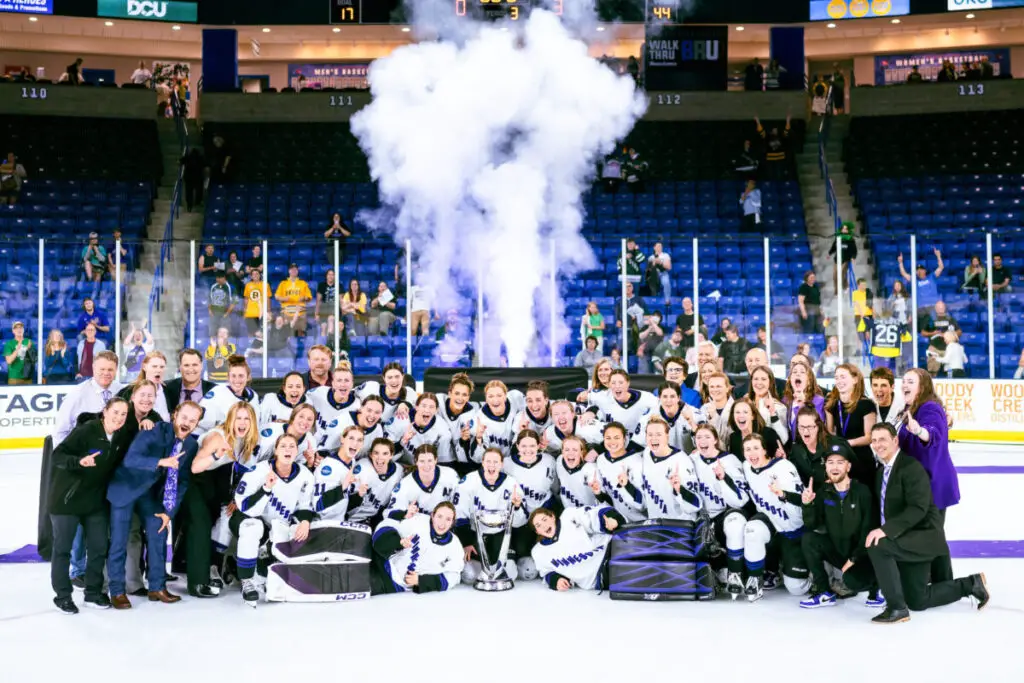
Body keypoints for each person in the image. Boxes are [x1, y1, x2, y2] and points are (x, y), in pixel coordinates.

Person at [864, 424, 988, 624]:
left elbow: (918, 509)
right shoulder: (882, 473)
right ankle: (971, 584)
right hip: (906, 538)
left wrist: (885, 531)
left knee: (878, 546)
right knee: (918, 600)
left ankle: (896, 609)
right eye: (874, 440)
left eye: (883, 439)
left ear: (895, 441)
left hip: (922, 537)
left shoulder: (910, 467)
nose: (878, 445)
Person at [106, 401, 202, 609]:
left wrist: (169, 511)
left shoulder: (191, 445)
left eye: (192, 420)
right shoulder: (156, 431)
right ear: (175, 415)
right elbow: (131, 459)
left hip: (149, 495)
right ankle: (117, 590)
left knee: (158, 530)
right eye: (184, 417)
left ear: (197, 424)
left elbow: (182, 481)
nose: (187, 423)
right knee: (119, 541)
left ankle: (157, 587)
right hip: (126, 488)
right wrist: (161, 461)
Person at [48, 398, 130, 614]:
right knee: (63, 549)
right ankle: (63, 596)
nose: (119, 418)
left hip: (94, 501)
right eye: (115, 412)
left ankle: (93, 592)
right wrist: (79, 461)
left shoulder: (121, 436)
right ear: (105, 411)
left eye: (123, 414)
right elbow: (58, 455)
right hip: (67, 499)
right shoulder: (87, 430)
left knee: (98, 546)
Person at [231, 433, 315, 607]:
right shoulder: (259, 470)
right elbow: (245, 506)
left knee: (291, 535)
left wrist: (305, 521)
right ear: (276, 451)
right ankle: (246, 581)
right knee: (252, 526)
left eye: (292, 446)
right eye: (283, 446)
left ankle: (260, 569)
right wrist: (266, 489)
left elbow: (305, 506)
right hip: (248, 518)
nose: (288, 449)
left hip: (275, 525)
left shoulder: (305, 475)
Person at [897, 368, 961, 582]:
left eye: (911, 382)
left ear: (922, 386)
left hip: (933, 483)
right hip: (921, 482)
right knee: (932, 533)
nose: (905, 385)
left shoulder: (930, 408)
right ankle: (940, 579)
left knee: (933, 535)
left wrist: (918, 431)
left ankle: (944, 582)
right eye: (904, 380)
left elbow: (932, 434)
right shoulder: (910, 408)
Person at [798, 445, 879, 609]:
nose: (834, 467)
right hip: (838, 551)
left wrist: (854, 558)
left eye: (840, 462)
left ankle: (876, 589)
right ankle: (824, 592)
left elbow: (869, 529)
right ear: (825, 466)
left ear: (848, 466)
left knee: (853, 581)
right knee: (809, 539)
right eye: (830, 462)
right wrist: (808, 505)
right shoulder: (823, 492)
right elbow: (811, 524)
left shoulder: (862, 492)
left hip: (861, 555)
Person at [737, 433, 810, 602]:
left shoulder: (783, 467)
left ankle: (811, 571)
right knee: (752, 529)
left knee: (796, 589)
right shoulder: (746, 467)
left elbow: (802, 502)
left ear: (764, 450)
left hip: (793, 530)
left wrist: (783, 495)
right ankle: (755, 579)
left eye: (756, 448)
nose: (752, 453)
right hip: (771, 523)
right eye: (747, 449)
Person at [688, 424, 749, 599]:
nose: (702, 441)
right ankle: (720, 571)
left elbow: (741, 500)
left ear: (715, 439)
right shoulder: (691, 460)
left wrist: (724, 478)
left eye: (707, 437)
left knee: (735, 524)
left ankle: (736, 573)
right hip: (702, 517)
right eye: (699, 437)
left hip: (726, 513)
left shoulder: (729, 460)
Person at [455, 447, 528, 583]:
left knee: (510, 574)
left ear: (501, 464)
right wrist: (466, 542)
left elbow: (520, 521)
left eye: (496, 462)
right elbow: (460, 514)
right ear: (482, 462)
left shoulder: (511, 483)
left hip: (500, 533)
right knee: (470, 575)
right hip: (475, 534)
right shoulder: (469, 481)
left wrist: (516, 507)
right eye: (488, 461)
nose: (491, 465)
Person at [369, 502, 465, 595]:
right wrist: (398, 541)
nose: (442, 523)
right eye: (439, 516)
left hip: (394, 585)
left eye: (448, 519)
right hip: (384, 565)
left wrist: (421, 581)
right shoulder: (418, 521)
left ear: (452, 522)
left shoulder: (455, 545)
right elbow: (386, 524)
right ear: (432, 516)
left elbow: (455, 575)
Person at [529, 504, 625, 591]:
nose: (544, 526)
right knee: (635, 573)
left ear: (553, 517)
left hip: (611, 547)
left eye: (544, 520)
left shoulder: (569, 516)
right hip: (599, 576)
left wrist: (611, 520)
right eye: (538, 525)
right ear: (537, 531)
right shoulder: (538, 553)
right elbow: (546, 573)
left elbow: (593, 515)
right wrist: (556, 580)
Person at [53, 350, 121, 447]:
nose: (106, 373)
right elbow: (60, 432)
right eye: (102, 369)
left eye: (110, 369)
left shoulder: (122, 391)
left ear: (116, 369)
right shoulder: (77, 394)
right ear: (94, 368)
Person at [825, 363, 877, 486]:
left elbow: (869, 437)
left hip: (861, 460)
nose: (839, 381)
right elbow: (830, 431)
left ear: (855, 379)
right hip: (841, 458)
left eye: (843, 377)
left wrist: (847, 443)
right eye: (836, 377)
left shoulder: (866, 404)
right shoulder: (832, 404)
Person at [384, 444, 459, 522]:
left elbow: (460, 505)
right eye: (422, 461)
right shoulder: (406, 485)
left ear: (436, 460)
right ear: (416, 462)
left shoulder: (450, 475)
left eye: (430, 461)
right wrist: (404, 513)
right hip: (419, 525)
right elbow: (388, 514)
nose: (426, 465)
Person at [789, 406, 858, 489]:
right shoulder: (796, 449)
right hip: (815, 498)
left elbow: (856, 471)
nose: (805, 431)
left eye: (810, 427)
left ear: (818, 426)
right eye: (801, 427)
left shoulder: (837, 444)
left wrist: (839, 479)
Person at [591, 422, 645, 523]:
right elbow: (610, 498)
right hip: (616, 520)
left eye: (617, 438)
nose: (612, 442)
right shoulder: (601, 459)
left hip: (638, 521)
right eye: (608, 438)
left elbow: (642, 505)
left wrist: (627, 485)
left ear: (624, 439)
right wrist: (598, 494)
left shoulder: (636, 461)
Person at [197, 355, 261, 435]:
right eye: (233, 376)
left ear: (248, 377)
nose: (237, 380)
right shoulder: (218, 393)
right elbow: (200, 425)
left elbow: (256, 426)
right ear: (228, 377)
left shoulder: (254, 396)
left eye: (241, 376)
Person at [633, 381, 702, 453]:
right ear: (659, 398)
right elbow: (637, 445)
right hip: (661, 460)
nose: (668, 400)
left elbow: (707, 442)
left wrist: (692, 423)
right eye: (665, 396)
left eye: (672, 396)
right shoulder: (649, 416)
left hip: (689, 460)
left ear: (679, 397)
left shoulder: (694, 414)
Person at [164, 348, 215, 413]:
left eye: (194, 365)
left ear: (201, 366)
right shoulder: (166, 388)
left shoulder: (214, 390)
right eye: (186, 365)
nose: (191, 369)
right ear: (180, 367)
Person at [783, 359, 825, 435]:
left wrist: (805, 404)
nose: (797, 374)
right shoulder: (786, 400)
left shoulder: (818, 401)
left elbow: (819, 427)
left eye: (802, 372)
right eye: (794, 372)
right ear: (790, 380)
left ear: (809, 380)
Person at [274, 264, 313, 337]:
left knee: (300, 330)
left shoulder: (303, 283)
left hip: (300, 310)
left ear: (297, 271)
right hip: (287, 310)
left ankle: (300, 342)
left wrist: (304, 298)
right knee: (287, 329)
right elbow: (276, 296)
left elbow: (309, 297)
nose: (293, 271)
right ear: (289, 271)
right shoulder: (283, 283)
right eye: (292, 269)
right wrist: (284, 298)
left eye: (295, 269)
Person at [4, 321, 36, 385]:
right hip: (14, 377)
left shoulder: (30, 342)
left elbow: (34, 360)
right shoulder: (9, 344)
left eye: (21, 328)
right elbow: (9, 361)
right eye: (16, 328)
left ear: (23, 330)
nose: (19, 330)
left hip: (27, 377)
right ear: (13, 331)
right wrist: (18, 349)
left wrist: (29, 350)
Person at [241, 269, 270, 336]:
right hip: (250, 313)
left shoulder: (265, 285)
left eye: (257, 273)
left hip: (261, 313)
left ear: (260, 275)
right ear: (251, 276)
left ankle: (261, 346)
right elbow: (246, 299)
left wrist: (268, 310)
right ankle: (251, 346)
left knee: (262, 334)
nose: (255, 275)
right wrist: (245, 310)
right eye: (253, 274)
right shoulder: (248, 285)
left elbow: (268, 298)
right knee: (251, 333)